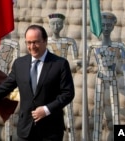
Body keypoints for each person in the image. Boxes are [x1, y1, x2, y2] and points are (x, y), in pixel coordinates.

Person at [0, 25, 75, 141]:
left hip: (50, 130)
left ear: (45, 41)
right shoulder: (20, 64)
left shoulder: (60, 64)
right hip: (25, 130)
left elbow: (68, 93)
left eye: (35, 42)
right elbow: (3, 88)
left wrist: (46, 109)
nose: (32, 46)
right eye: (28, 43)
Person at [88, 12, 125, 141]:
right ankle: (96, 137)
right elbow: (85, 63)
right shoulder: (93, 46)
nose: (106, 28)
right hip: (100, 78)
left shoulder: (120, 46)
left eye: (109, 25)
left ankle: (119, 137)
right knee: (98, 110)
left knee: (116, 110)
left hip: (112, 78)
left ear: (113, 26)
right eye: (103, 25)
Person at [47, 13, 79, 141]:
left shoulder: (69, 42)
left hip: (64, 79)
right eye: (53, 23)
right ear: (49, 25)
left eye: (59, 24)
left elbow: (76, 59)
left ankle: (71, 138)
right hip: (49, 80)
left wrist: (80, 62)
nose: (56, 26)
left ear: (63, 25)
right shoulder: (46, 42)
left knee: (69, 112)